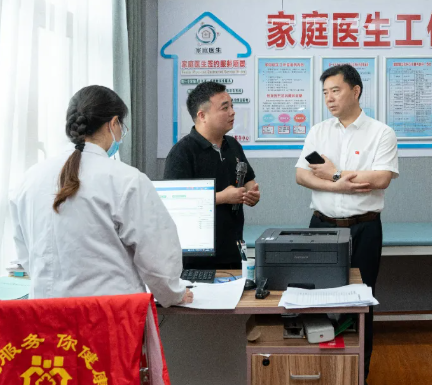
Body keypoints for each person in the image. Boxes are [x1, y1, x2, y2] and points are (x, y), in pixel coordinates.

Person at [10, 85, 192, 307]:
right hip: (109, 316)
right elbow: (157, 258)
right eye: (121, 126)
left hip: (46, 315)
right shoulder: (127, 180)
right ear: (113, 123)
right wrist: (173, 294)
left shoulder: (29, 179)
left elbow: (27, 256)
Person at [295, 64, 399, 382]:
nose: (329, 98)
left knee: (361, 302)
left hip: (363, 228)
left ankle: (358, 374)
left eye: (335, 91)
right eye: (325, 92)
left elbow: (380, 178)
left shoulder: (381, 133)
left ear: (355, 91)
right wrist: (338, 184)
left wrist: (334, 173)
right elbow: (302, 176)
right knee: (317, 299)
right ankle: (321, 371)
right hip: (322, 226)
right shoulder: (318, 131)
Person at [164, 81, 259, 269]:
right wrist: (223, 197)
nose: (232, 112)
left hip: (233, 250)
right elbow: (176, 203)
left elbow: (249, 180)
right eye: (225, 108)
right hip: (197, 258)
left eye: (232, 106)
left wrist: (252, 193)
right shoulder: (182, 152)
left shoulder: (233, 145)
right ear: (202, 116)